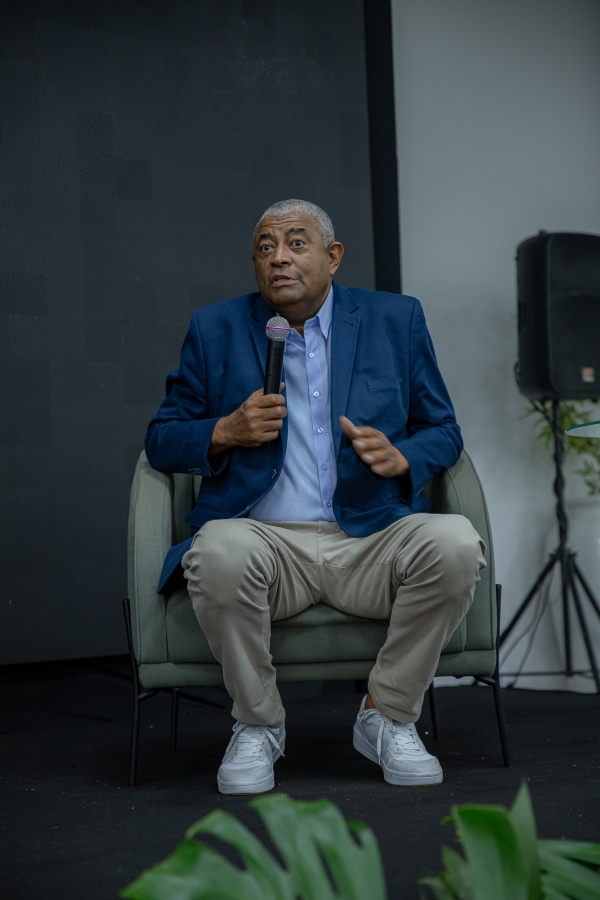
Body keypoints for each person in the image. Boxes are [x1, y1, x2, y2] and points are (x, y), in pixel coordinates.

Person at [145, 199, 486, 795]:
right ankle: (258, 724)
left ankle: (388, 715)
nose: (278, 258)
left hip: (372, 538)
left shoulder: (394, 319)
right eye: (265, 247)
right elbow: (161, 439)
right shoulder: (215, 328)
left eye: (296, 243)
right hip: (267, 544)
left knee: (455, 542)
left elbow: (444, 429)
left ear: (333, 257)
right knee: (216, 549)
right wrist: (225, 430)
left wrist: (405, 456)